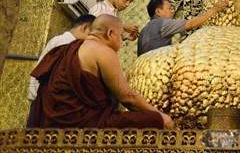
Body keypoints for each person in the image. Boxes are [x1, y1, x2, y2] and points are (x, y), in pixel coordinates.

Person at [30, 14, 174, 129]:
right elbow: (127, 97)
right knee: (153, 120)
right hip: (85, 125)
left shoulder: (68, 48)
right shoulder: (103, 51)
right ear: (110, 33)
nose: (121, 43)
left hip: (50, 123)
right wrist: (159, 115)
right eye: (120, 37)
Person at [26, 14, 95, 127]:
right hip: (46, 104)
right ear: (84, 28)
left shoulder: (70, 44)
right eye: (92, 36)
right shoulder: (63, 42)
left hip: (50, 104)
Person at [137, 0, 229, 56]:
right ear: (158, 11)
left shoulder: (143, 31)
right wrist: (215, 9)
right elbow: (191, 24)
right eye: (169, 8)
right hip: (156, 70)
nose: (172, 11)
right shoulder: (163, 23)